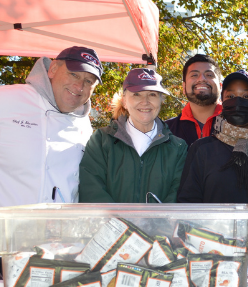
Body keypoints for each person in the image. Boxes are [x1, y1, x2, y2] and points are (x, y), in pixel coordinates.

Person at [0, 46, 103, 278]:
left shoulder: (84, 125)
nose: (80, 86)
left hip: (43, 255)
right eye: (74, 74)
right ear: (52, 68)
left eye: (89, 80)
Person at [177, 70, 248, 265]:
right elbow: (187, 208)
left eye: (246, 96)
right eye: (231, 96)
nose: (238, 101)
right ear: (222, 103)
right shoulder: (202, 150)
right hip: (214, 261)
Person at [79, 68, 187, 203]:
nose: (145, 101)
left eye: (152, 94)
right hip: (112, 224)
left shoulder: (178, 148)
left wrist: (155, 223)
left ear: (161, 100)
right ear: (124, 100)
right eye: (137, 94)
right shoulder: (102, 140)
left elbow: (177, 195)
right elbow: (91, 189)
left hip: (159, 224)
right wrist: (119, 223)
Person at [165, 54, 222, 146]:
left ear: (220, 86)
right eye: (194, 75)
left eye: (209, 75)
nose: (202, 79)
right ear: (184, 87)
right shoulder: (166, 131)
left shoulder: (239, 125)